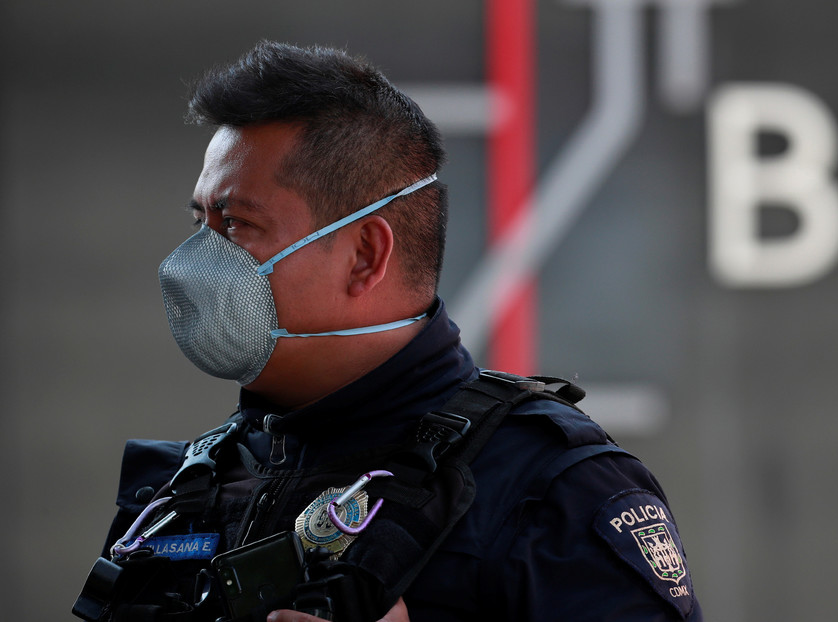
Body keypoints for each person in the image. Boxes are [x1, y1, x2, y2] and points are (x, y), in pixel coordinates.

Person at [79, 41, 702, 622]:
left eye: (237, 224)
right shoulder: (182, 493)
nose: (195, 263)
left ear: (365, 256)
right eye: (201, 221)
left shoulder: (550, 490)